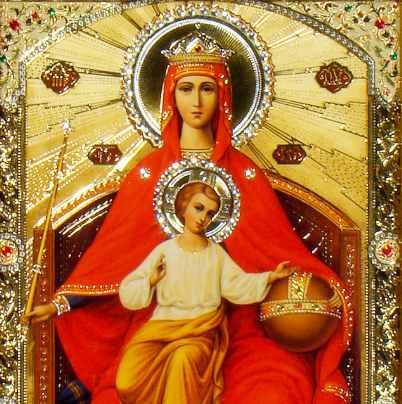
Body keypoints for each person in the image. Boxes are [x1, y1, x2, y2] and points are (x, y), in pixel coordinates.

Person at [26, 31, 351, 404]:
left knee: (273, 391)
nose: (196, 101)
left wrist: (327, 289)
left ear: (222, 95)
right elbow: (111, 261)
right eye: (186, 89)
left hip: (241, 327)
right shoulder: (148, 175)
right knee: (121, 389)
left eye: (206, 89)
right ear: (170, 95)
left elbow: (276, 251)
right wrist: (59, 304)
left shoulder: (244, 174)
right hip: (159, 322)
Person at [116, 182, 295, 404]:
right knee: (126, 381)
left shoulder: (216, 254)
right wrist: (150, 281)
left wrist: (270, 277)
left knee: (182, 360)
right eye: (198, 208)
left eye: (210, 213)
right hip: (160, 328)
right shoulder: (164, 251)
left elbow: (236, 284)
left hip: (200, 330)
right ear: (183, 208)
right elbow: (128, 293)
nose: (203, 218)